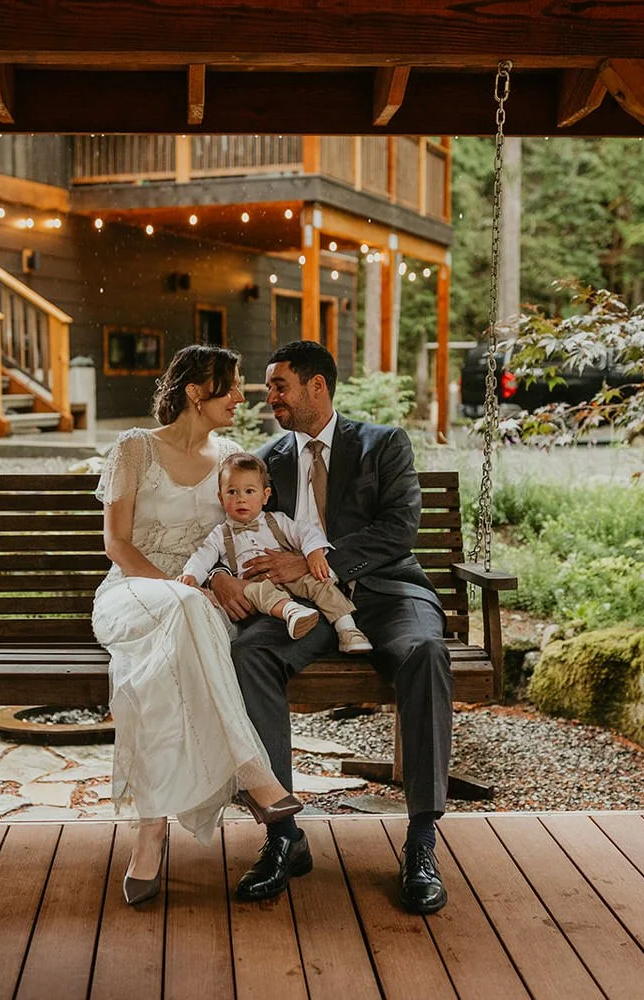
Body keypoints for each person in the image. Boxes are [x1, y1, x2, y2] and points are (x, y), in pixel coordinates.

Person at [212, 340, 454, 914]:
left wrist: (323, 562)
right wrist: (223, 578)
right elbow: (236, 527)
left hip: (386, 592)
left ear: (317, 386)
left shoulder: (381, 443)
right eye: (269, 387)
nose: (269, 397)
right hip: (305, 606)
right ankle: (282, 835)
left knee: (425, 652)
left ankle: (421, 841)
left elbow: (400, 529)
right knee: (250, 655)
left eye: (279, 386)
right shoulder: (268, 459)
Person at [92, 344, 302, 907]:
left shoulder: (233, 455)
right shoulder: (135, 448)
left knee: (166, 664)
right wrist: (176, 589)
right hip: (132, 593)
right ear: (195, 391)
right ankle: (252, 770)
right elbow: (117, 543)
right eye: (231, 386)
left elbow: (242, 537)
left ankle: (151, 828)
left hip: (202, 604)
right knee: (185, 611)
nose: (241, 397)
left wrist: (225, 581)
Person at [178, 452, 373, 653]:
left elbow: (305, 532)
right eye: (232, 492)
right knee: (253, 591)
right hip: (255, 583)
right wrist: (191, 574)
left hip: (290, 577)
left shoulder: (277, 520)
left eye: (249, 491)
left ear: (265, 495)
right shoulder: (220, 534)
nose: (241, 499)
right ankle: (292, 612)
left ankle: (348, 629)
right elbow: (203, 556)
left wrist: (314, 551)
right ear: (220, 497)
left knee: (320, 582)